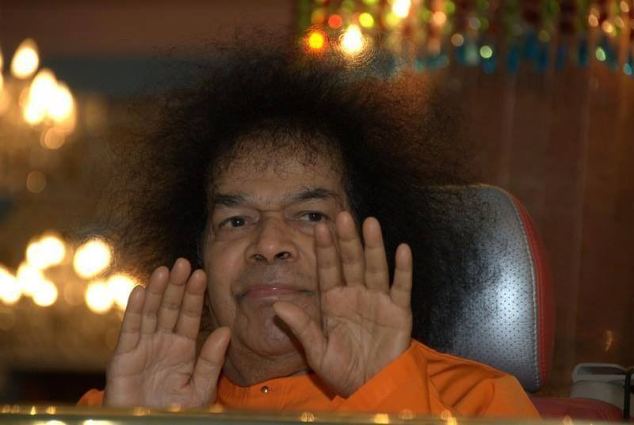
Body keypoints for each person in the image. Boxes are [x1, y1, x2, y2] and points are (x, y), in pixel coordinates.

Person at [79, 45, 539, 418]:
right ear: (198, 254)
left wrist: (385, 392)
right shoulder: (126, 406)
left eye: (311, 215)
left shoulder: (479, 404)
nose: (269, 244)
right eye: (236, 221)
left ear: (370, 244)